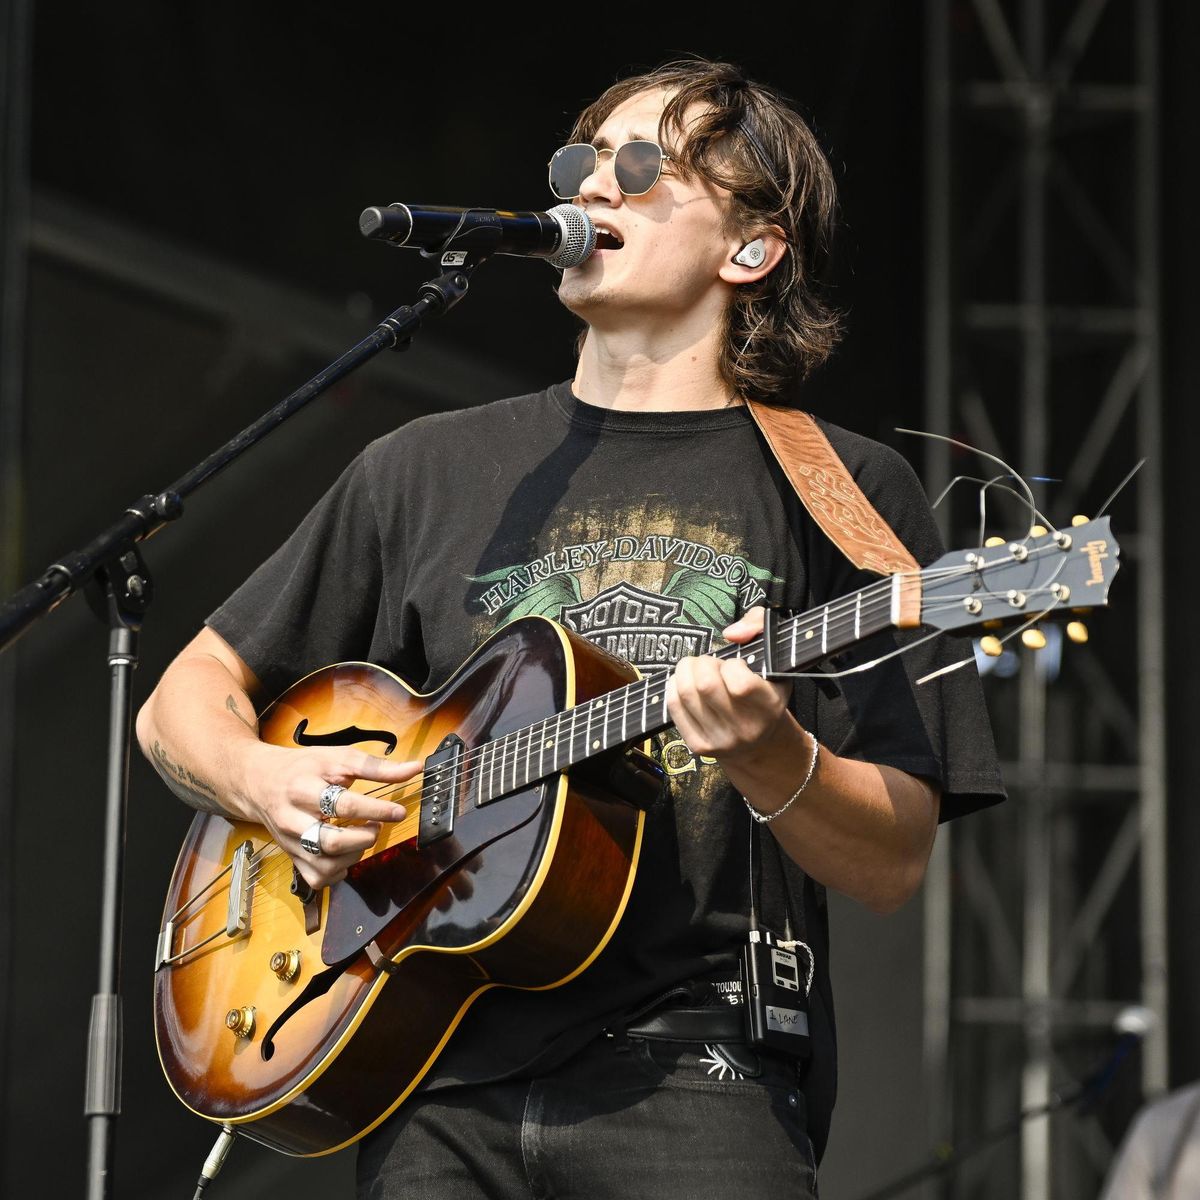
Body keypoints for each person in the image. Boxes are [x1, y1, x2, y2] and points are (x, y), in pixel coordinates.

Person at [137, 58, 1005, 1199]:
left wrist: (771, 754)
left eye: (643, 166)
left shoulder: (846, 489)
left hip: (700, 1077)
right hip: (433, 1079)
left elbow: (892, 862)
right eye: (582, 163)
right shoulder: (423, 468)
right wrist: (264, 781)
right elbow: (183, 697)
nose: (594, 187)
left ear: (751, 250)